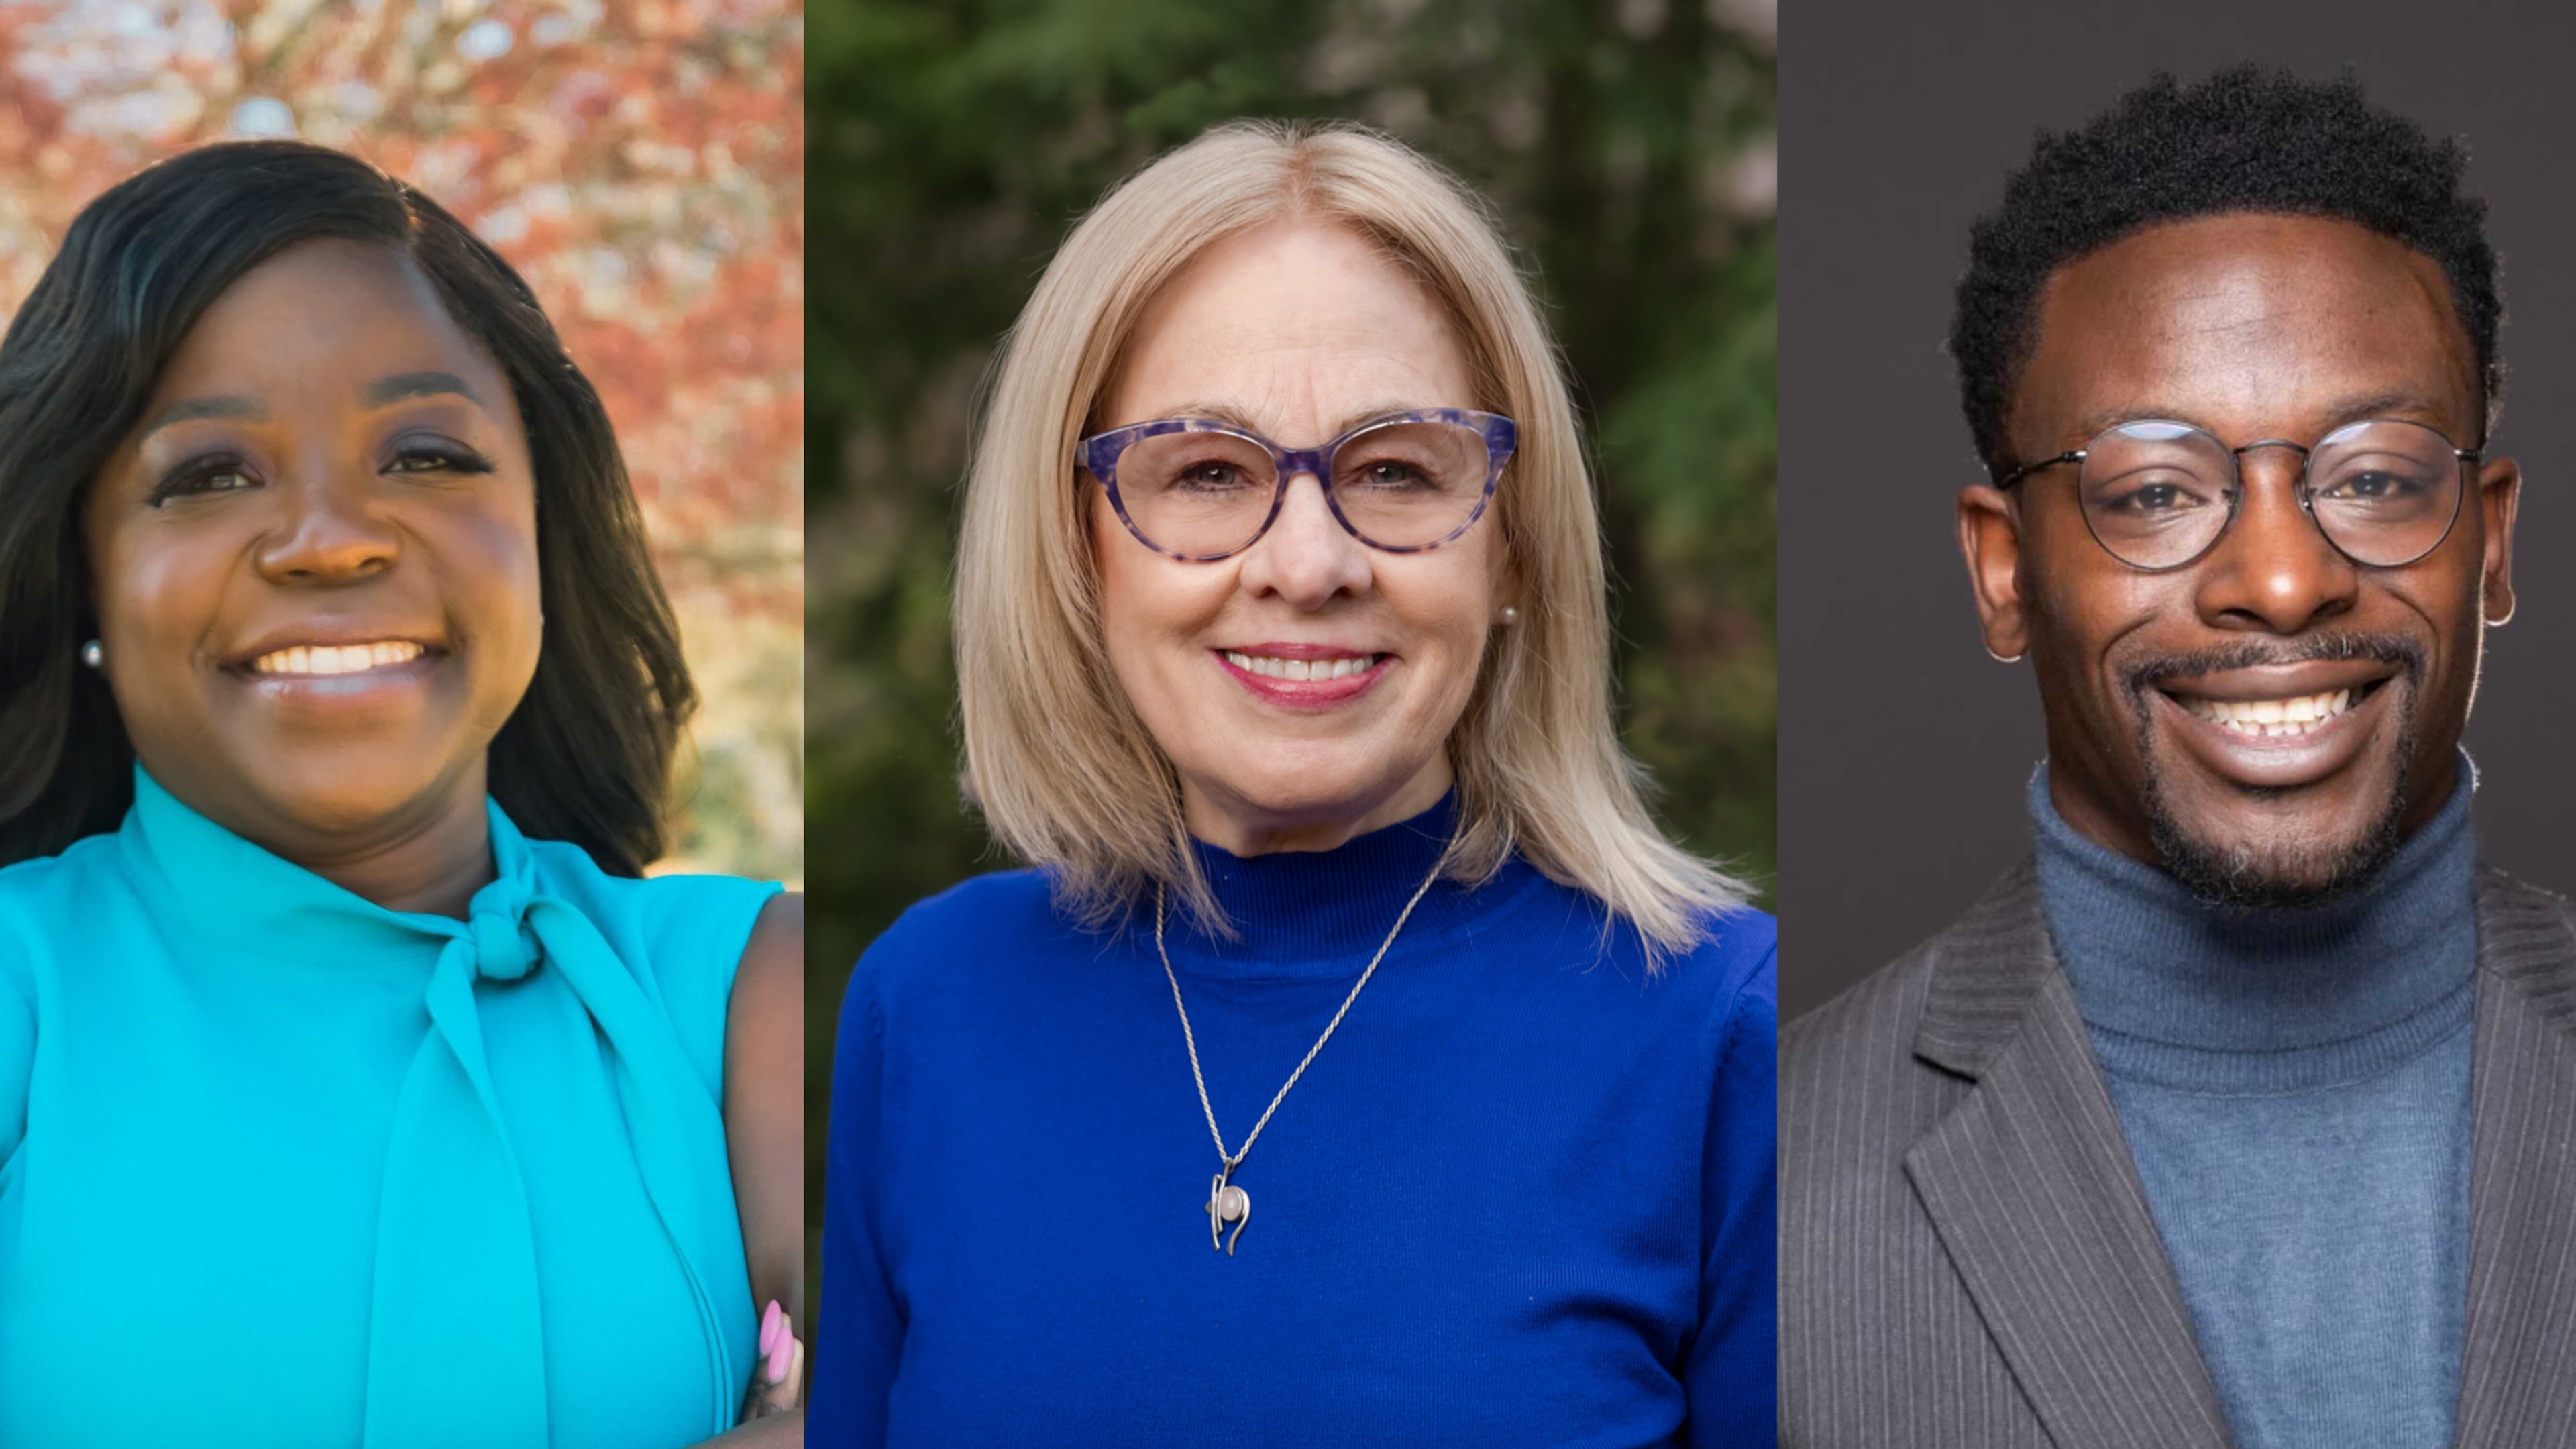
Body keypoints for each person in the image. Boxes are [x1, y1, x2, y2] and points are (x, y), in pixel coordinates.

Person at [815, 119, 1776, 1446]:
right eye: (1208, 472)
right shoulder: (928, 1005)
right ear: (1078, 548)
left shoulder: (1728, 1033)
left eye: (1395, 471)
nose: (1311, 563)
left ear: (1509, 548)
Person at [1778, 68, 2576, 1448]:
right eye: (2153, 494)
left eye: (2376, 477)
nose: (2279, 578)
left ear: (2489, 540)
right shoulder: (1758, 1176)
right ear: (2003, 571)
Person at [0, 142, 804, 1448]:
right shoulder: (20, 991)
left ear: (544, 529)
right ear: (81, 574)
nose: (333, 537)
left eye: (428, 455)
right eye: (208, 474)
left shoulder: (746, 992)